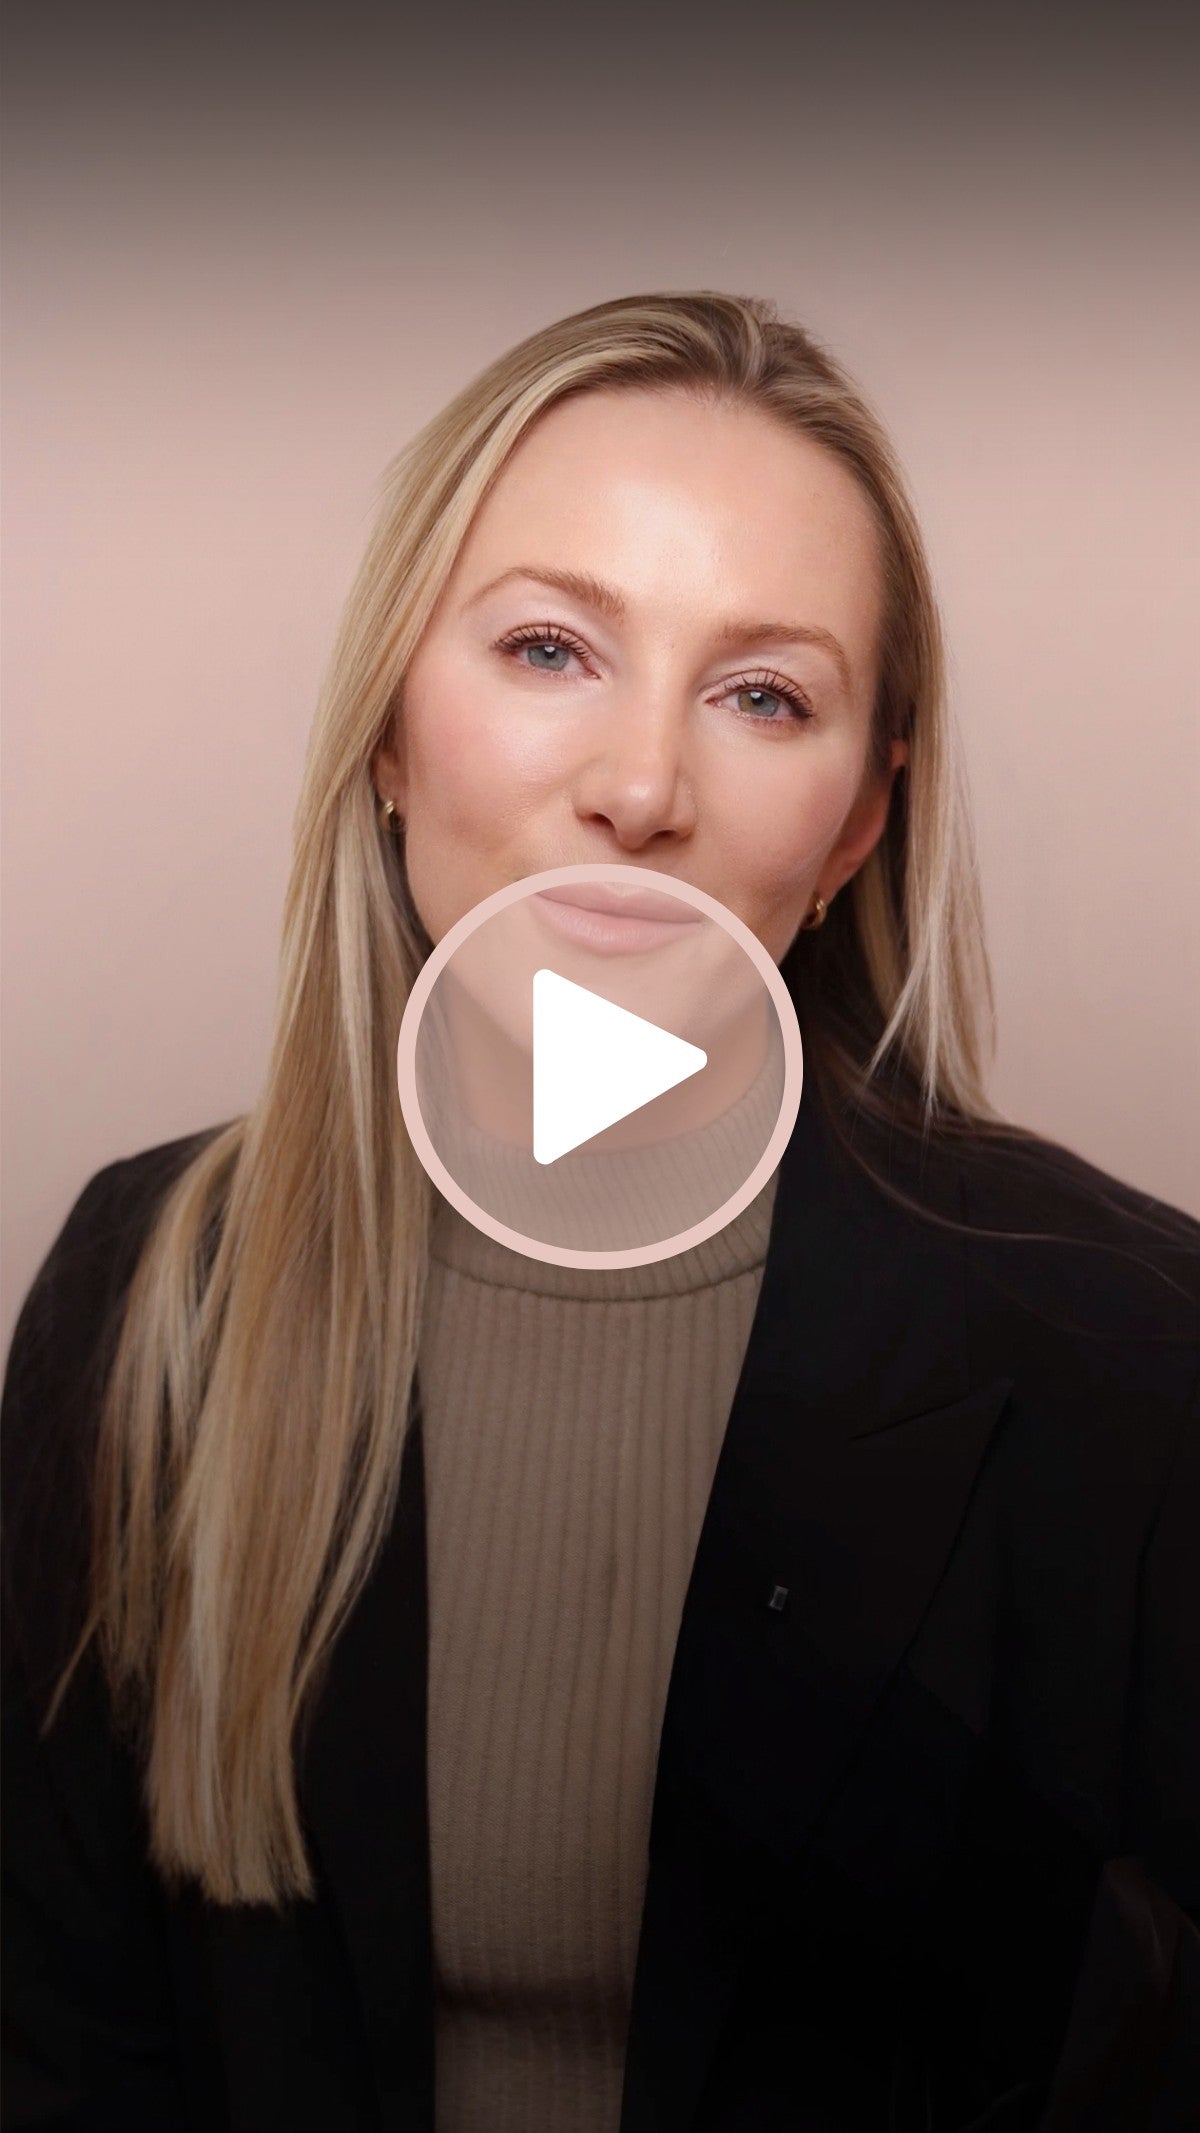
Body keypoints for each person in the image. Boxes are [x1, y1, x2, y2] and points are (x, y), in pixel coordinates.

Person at [2, 290, 1197, 2133]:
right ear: (392, 732)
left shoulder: (1133, 1354)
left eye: (764, 695)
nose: (642, 789)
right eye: (549, 648)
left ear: (855, 829)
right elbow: (61, 2056)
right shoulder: (143, 1286)